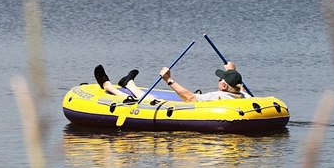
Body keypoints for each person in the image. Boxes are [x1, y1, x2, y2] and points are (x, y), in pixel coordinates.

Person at [93, 62, 249, 102]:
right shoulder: (243, 97)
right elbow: (240, 87)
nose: (219, 80)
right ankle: (128, 83)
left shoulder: (217, 96)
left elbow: (191, 97)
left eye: (220, 78)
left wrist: (168, 79)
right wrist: (232, 71)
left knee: (151, 101)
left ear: (223, 86)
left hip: (195, 109)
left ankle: (110, 87)